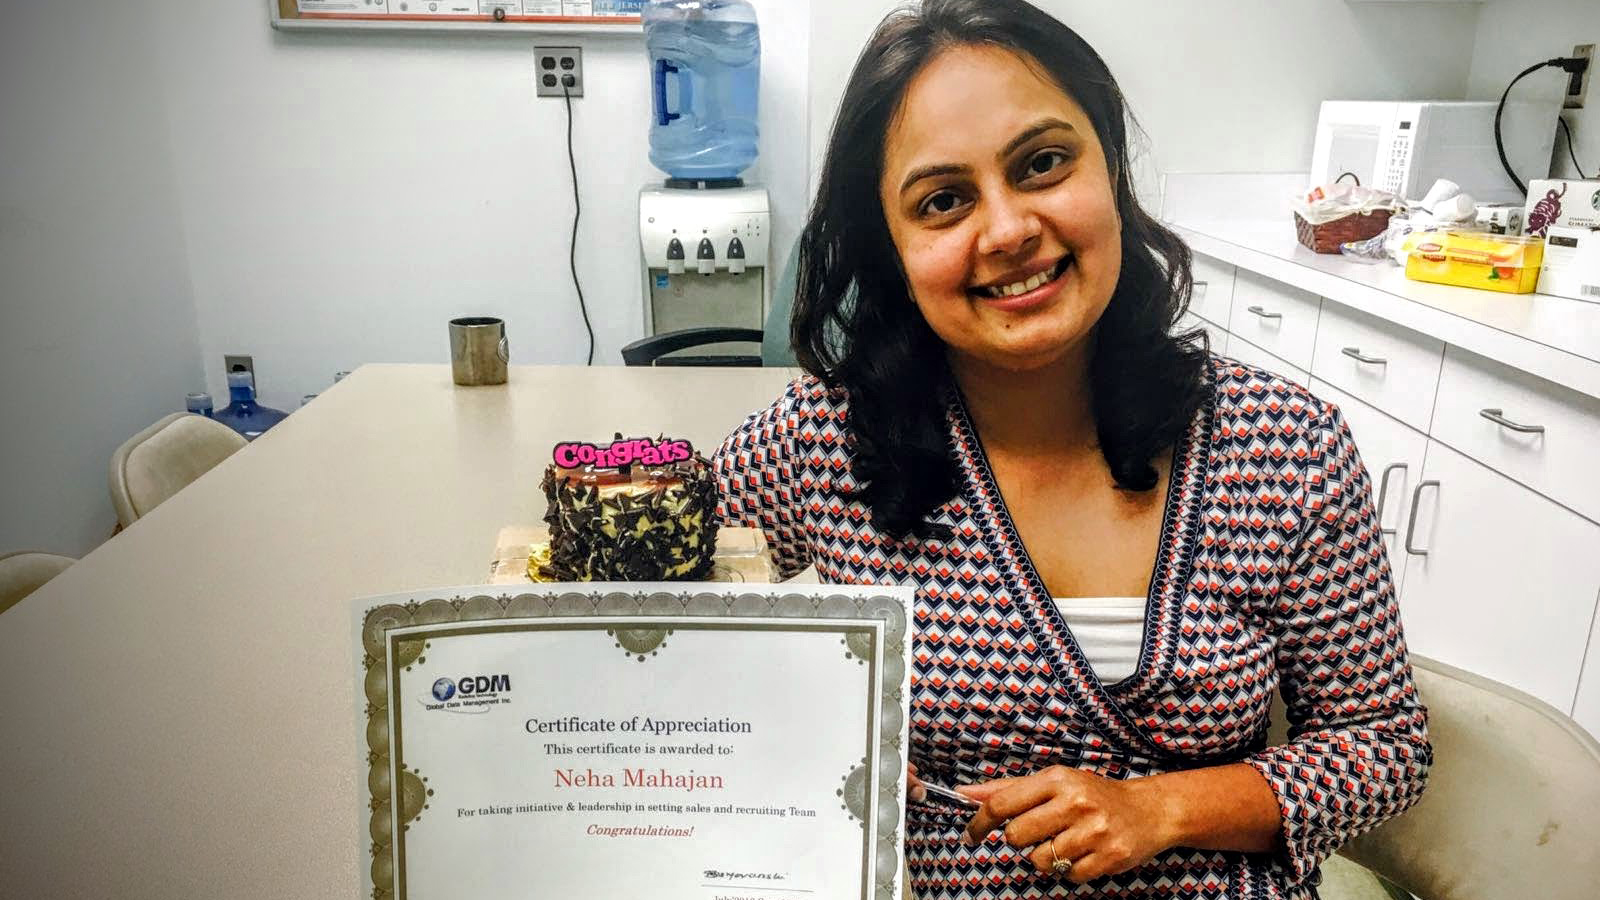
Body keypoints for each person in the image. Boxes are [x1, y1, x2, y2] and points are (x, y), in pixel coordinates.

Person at [712, 0, 1431, 897]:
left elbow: (1385, 748)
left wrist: (1160, 810)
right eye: (943, 201)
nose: (1009, 229)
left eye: (1043, 163)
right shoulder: (824, 440)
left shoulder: (1286, 448)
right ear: (891, 247)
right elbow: (655, 626)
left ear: (1112, 170)